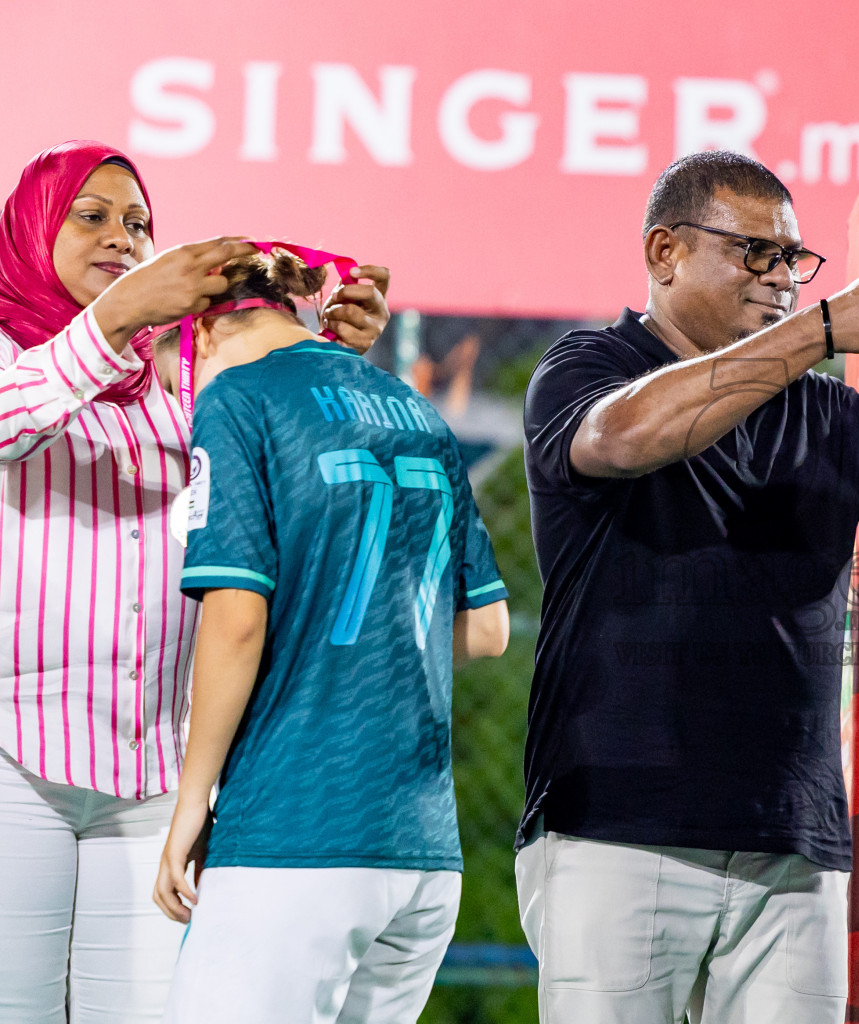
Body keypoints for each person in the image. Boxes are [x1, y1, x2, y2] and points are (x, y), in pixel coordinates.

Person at [518, 150, 859, 1023]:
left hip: (794, 844)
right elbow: (628, 437)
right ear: (664, 252)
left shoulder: (831, 414)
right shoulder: (586, 367)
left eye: (792, 258)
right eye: (753, 252)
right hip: (619, 827)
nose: (781, 276)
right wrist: (823, 330)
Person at [0, 140, 391, 1023]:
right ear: (30, 227)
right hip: (13, 755)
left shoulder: (178, 372)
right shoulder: (15, 352)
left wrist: (326, 349)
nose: (120, 236)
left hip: (149, 768)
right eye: (90, 215)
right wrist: (111, 320)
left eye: (138, 223)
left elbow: (280, 457)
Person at [147, 248, 511, 1022]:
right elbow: (486, 629)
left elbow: (237, 621)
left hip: (296, 828)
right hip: (422, 855)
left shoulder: (238, 400)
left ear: (201, 332)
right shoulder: (416, 410)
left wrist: (191, 803)